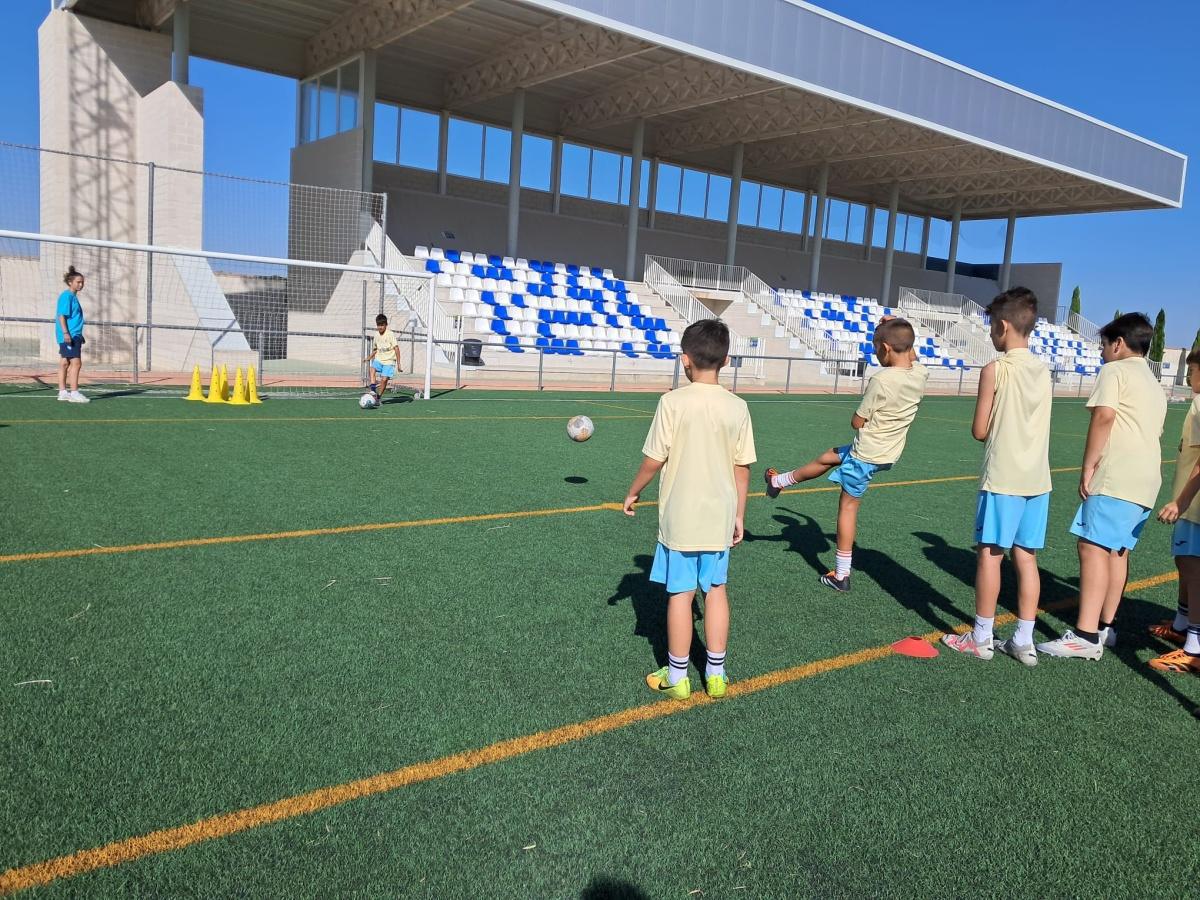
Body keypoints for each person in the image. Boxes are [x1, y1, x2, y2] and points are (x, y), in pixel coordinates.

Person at [623, 319, 756, 701]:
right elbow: (741, 468)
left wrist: (633, 491)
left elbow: (654, 458)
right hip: (718, 516)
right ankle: (716, 674)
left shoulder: (672, 402)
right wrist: (739, 514)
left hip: (681, 518)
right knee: (716, 591)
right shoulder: (737, 406)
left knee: (680, 595)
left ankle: (678, 676)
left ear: (685, 360)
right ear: (726, 360)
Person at [764, 317, 928, 592]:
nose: (874, 351)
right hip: (887, 453)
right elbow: (910, 350)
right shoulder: (920, 372)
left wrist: (859, 417)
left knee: (848, 507)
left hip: (867, 453)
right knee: (828, 457)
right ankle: (778, 482)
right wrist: (900, 325)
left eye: (876, 346)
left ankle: (841, 575)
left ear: (885, 348)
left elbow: (857, 421)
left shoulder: (882, 380)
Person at [1037, 313, 1167, 660]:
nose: (1101, 353)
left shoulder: (1115, 371)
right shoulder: (1154, 383)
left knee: (1092, 546)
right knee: (1117, 550)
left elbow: (1104, 416)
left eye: (1104, 346)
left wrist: (1089, 464)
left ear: (1119, 344)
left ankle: (1084, 635)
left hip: (1118, 473)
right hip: (1147, 477)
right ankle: (1105, 627)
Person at [941, 288, 1052, 665]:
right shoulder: (1043, 370)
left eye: (991, 327)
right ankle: (1024, 639)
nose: (990, 334)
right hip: (1038, 480)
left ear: (1003, 326)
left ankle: (982, 636)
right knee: (1027, 558)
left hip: (1003, 477)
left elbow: (979, 429)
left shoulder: (995, 369)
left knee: (990, 555)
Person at [1149, 349, 1200, 674]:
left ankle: (1194, 646)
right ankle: (1182, 624)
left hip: (1195, 506)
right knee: (1185, 562)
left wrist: (1180, 502)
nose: (1188, 376)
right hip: (1191, 505)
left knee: (1193, 566)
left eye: (1192, 369)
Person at [55, 266, 89, 403]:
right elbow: (61, 316)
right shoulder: (66, 296)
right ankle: (74, 393)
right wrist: (66, 333)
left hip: (74, 334)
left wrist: (79, 334)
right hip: (69, 335)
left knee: (64, 363)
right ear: (70, 282)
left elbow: (74, 318)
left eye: (82, 282)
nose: (81, 284)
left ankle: (63, 392)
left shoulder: (73, 297)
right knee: (77, 363)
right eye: (78, 282)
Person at [363, 313, 401, 400]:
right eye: (378, 325)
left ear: (386, 325)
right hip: (379, 359)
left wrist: (399, 364)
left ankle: (378, 397)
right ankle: (373, 390)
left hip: (389, 361)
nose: (380, 327)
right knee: (372, 369)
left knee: (384, 380)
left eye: (382, 325)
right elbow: (376, 349)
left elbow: (397, 349)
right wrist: (369, 357)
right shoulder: (376, 335)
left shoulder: (390, 334)